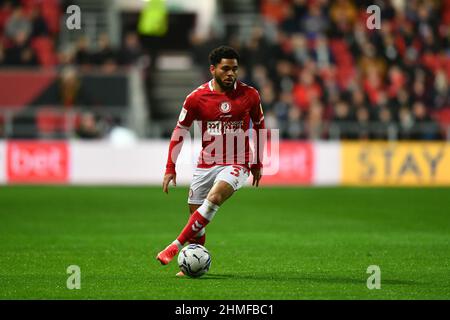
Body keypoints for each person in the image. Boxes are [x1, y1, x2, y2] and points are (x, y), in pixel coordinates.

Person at [156, 46, 266, 276]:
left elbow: (260, 126)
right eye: (225, 69)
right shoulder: (196, 98)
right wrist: (170, 167)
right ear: (213, 69)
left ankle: (175, 246)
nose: (231, 74)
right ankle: (195, 263)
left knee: (214, 198)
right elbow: (180, 131)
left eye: (234, 69)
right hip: (207, 162)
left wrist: (257, 162)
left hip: (238, 161)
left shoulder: (250, 95)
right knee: (196, 216)